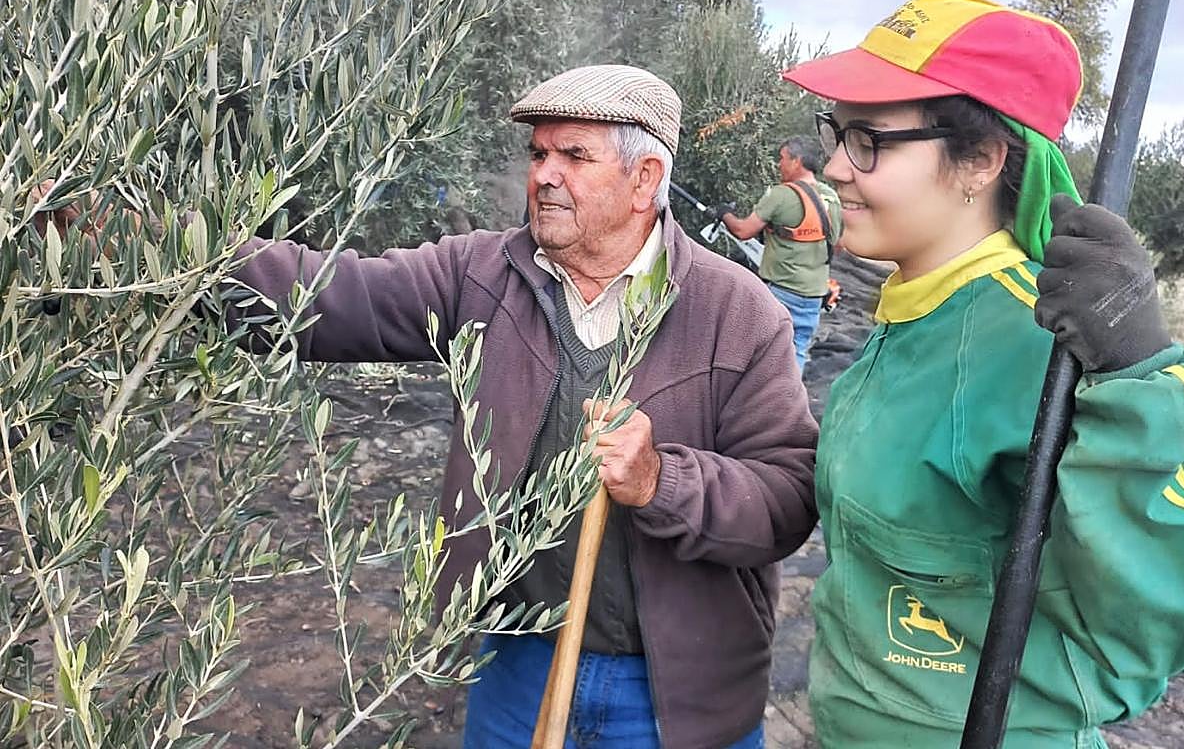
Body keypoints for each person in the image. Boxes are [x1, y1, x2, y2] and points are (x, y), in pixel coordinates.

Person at [224, 65, 818, 749]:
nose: (544, 175)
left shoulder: (738, 312)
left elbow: (786, 500)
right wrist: (176, 256)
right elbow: (331, 294)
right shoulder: (482, 274)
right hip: (518, 661)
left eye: (574, 156)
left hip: (679, 694)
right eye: (539, 154)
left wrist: (661, 480)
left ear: (645, 180)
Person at [778, 0, 1184, 747]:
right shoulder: (914, 311)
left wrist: (1138, 377)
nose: (835, 167)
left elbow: (1140, 629)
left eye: (867, 139)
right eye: (835, 133)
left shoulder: (1037, 345)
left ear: (979, 161)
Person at [718, 138, 842, 373]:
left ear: (797, 161)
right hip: (814, 294)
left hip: (781, 290)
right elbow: (838, 245)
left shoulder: (781, 195)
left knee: (758, 350)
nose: (778, 164)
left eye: (782, 158)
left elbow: (743, 231)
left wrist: (725, 214)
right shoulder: (831, 197)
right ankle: (788, 394)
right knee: (797, 349)